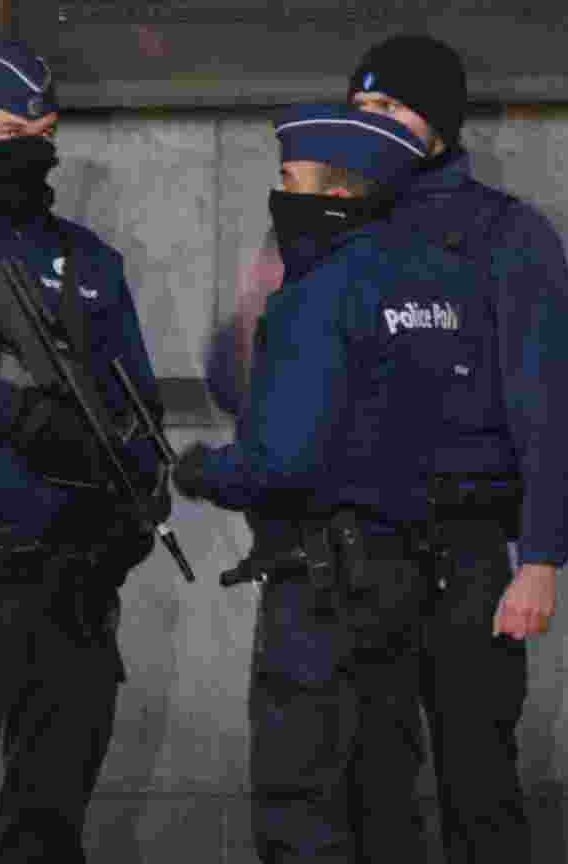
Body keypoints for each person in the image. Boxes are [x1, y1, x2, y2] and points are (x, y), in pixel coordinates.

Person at [177, 103, 493, 861]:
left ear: (336, 193)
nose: (279, 196)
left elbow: (281, 462)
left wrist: (197, 470)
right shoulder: (440, 286)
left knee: (304, 807)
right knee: (387, 801)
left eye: (289, 180)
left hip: (321, 589)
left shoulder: (314, 296)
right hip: (410, 576)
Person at [0, 38, 170, 863]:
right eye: (3, 129)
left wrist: (127, 526)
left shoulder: (92, 263)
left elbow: (140, 418)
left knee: (48, 825)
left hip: (73, 586)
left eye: (37, 129)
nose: (22, 146)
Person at [347, 34, 568, 862]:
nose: (369, 125)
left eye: (390, 107)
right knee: (370, 790)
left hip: (474, 558)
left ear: (438, 124)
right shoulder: (329, 231)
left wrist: (542, 556)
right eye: (361, 108)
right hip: (360, 556)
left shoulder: (508, 234)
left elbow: (549, 406)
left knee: (479, 786)